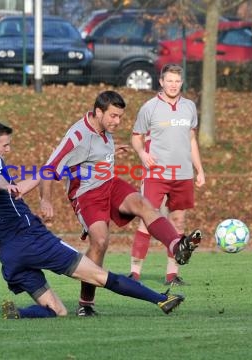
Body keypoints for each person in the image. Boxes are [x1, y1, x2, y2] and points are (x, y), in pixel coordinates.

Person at [0, 119, 186, 319]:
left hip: (8, 254)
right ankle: (160, 299)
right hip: (32, 240)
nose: (8, 149)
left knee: (57, 311)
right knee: (100, 276)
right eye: (5, 145)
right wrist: (7, 185)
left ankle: (18, 314)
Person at [39, 90, 202, 316]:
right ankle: (86, 304)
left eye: (120, 117)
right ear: (99, 112)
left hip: (110, 183)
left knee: (143, 204)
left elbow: (91, 154)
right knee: (101, 241)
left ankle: (176, 245)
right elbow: (48, 168)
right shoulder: (76, 135)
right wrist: (45, 200)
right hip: (87, 195)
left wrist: (111, 151)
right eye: (113, 116)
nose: (117, 122)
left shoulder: (103, 128)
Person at [128, 64, 205, 286]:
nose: (173, 85)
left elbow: (191, 140)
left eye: (177, 81)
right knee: (147, 220)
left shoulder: (189, 107)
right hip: (157, 174)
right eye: (169, 80)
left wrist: (199, 169)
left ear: (181, 83)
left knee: (178, 222)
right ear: (161, 82)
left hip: (182, 175)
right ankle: (134, 273)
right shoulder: (149, 108)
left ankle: (172, 275)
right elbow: (136, 137)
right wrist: (142, 153)